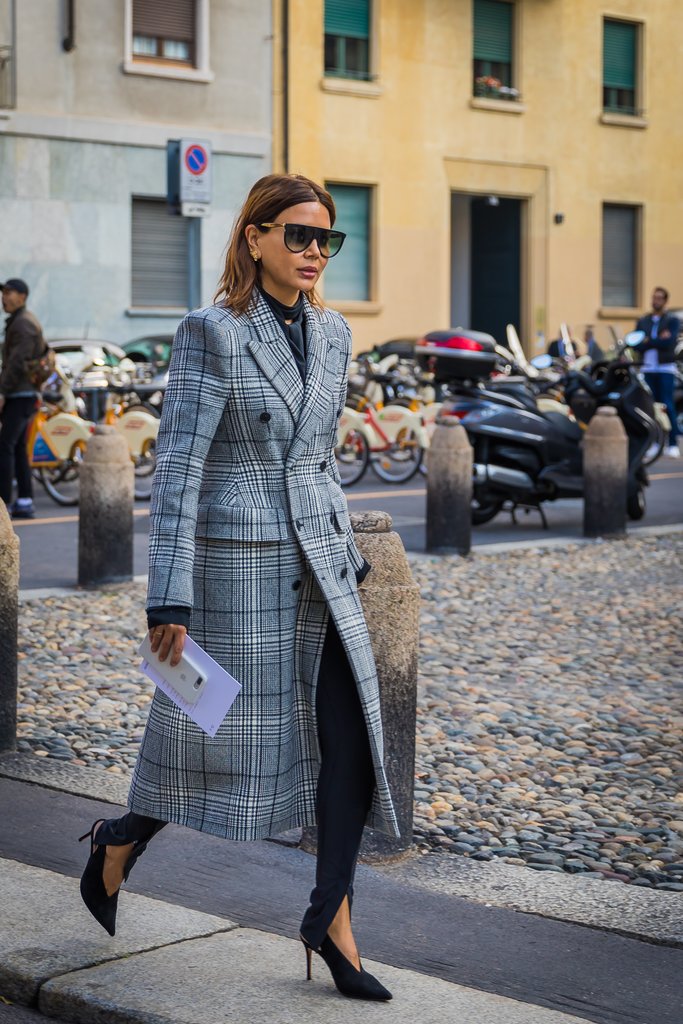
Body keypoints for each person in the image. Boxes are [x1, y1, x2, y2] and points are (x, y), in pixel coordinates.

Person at [77, 174, 397, 1002]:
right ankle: (118, 840)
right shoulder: (210, 332)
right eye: (296, 235)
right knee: (210, 737)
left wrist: (341, 543)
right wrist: (167, 597)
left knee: (350, 743)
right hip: (235, 568)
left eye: (326, 238)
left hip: (320, 568)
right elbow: (180, 469)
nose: (314, 251)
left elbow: (318, 458)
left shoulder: (334, 335)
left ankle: (330, 922)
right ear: (254, 238)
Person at [0, 279, 45, 518]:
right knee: (16, 447)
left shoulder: (24, 324)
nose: (3, 298)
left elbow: (17, 362)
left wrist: (2, 391)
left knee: (5, 445)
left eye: (9, 293)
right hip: (22, 393)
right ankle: (25, 500)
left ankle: (3, 503)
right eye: (3, 293)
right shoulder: (19, 322)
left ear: (23, 296)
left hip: (21, 394)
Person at [634, 287, 680, 458]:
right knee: (650, 406)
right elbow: (637, 343)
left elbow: (669, 342)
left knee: (668, 404)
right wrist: (657, 340)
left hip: (665, 368)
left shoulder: (672, 320)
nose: (656, 301)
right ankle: (654, 442)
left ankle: (673, 442)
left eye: (659, 298)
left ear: (665, 301)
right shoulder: (643, 320)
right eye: (654, 297)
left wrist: (649, 340)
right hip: (648, 367)